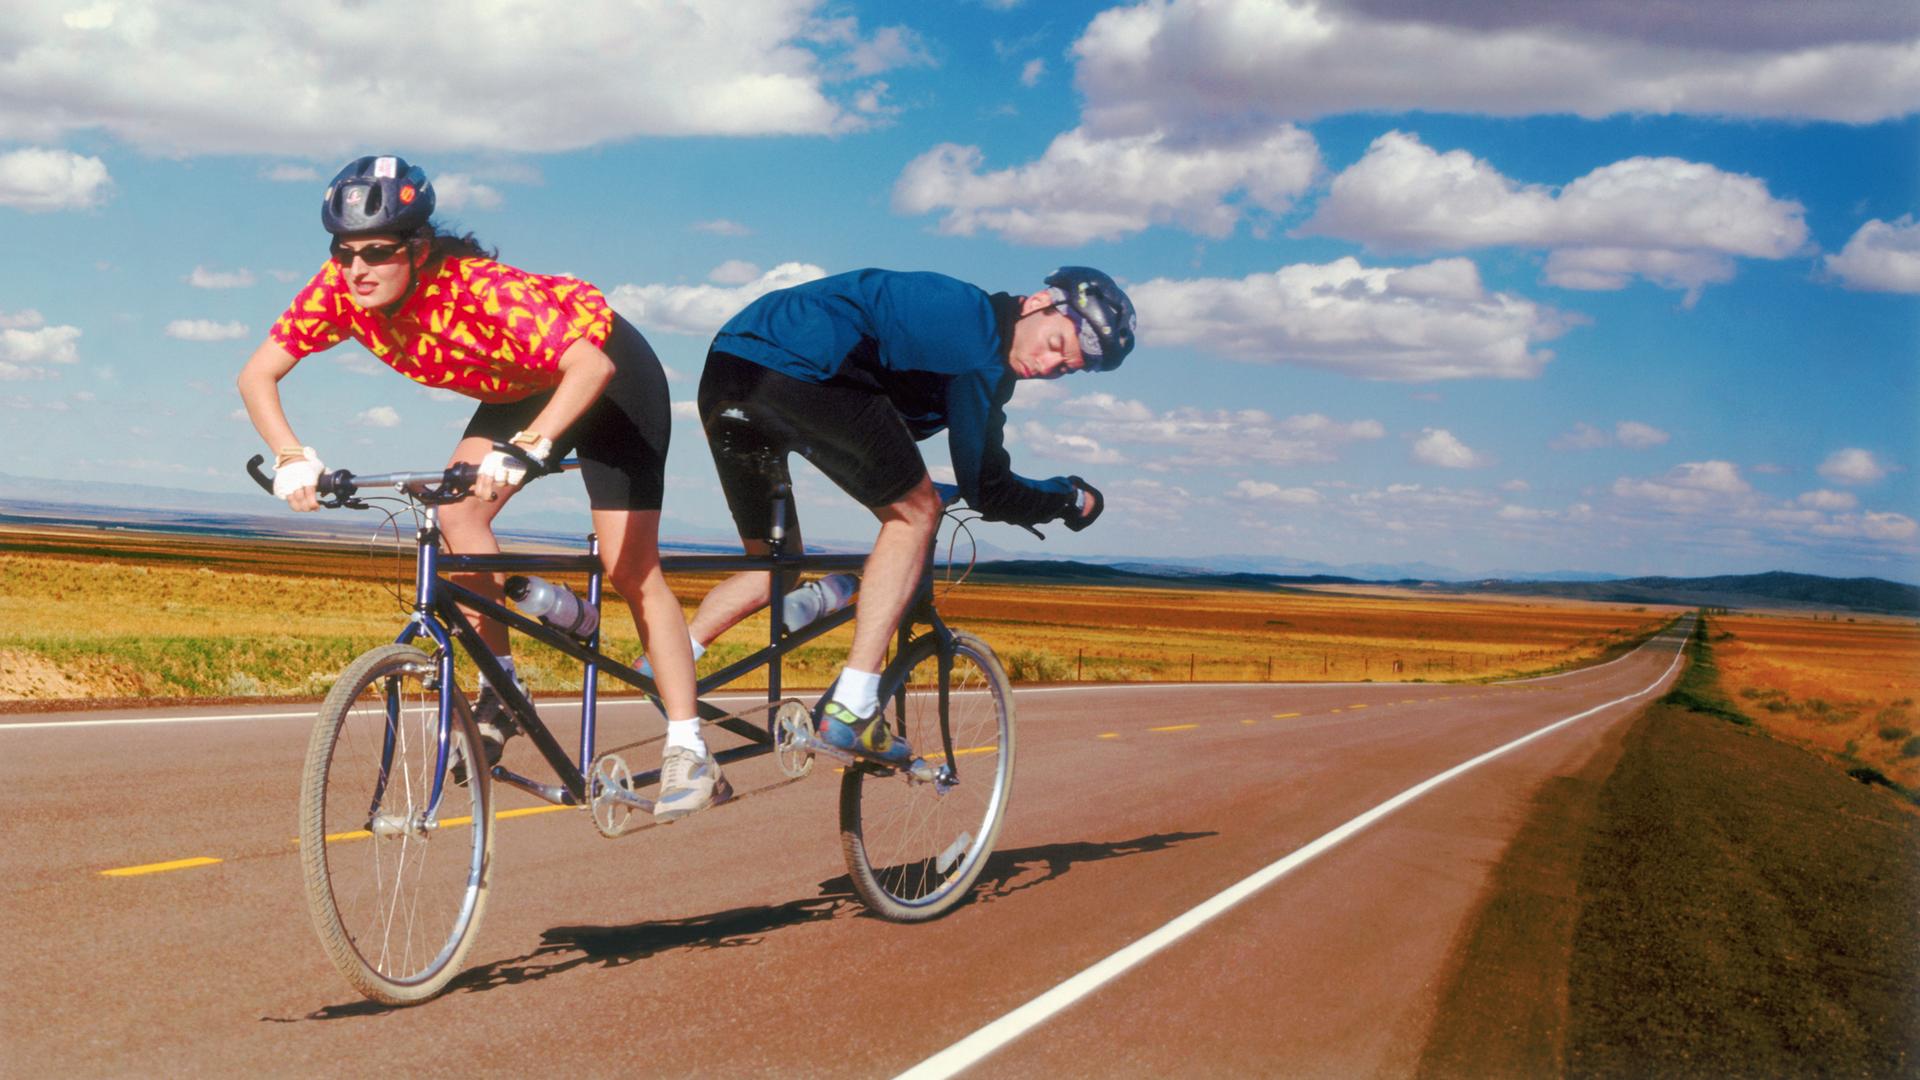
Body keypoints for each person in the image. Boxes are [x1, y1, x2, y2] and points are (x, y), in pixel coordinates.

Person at [236, 155, 725, 821]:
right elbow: (258, 374)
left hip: (607, 378)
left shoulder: (476, 290)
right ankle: (504, 690)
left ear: (419, 247)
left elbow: (588, 366)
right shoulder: (339, 290)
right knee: (457, 513)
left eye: (377, 252)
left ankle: (689, 747)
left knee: (630, 566)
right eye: (343, 251)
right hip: (520, 387)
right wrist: (291, 454)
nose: (357, 269)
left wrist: (533, 446)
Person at [684, 267, 1136, 762]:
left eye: (1066, 368)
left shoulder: (951, 323)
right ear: (1037, 303)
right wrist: (1065, 499)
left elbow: (886, 430)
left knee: (777, 563)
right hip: (803, 367)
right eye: (1055, 344)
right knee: (914, 515)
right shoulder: (981, 342)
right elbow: (986, 485)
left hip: (731, 369)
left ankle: (671, 659)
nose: (1050, 366)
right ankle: (853, 708)